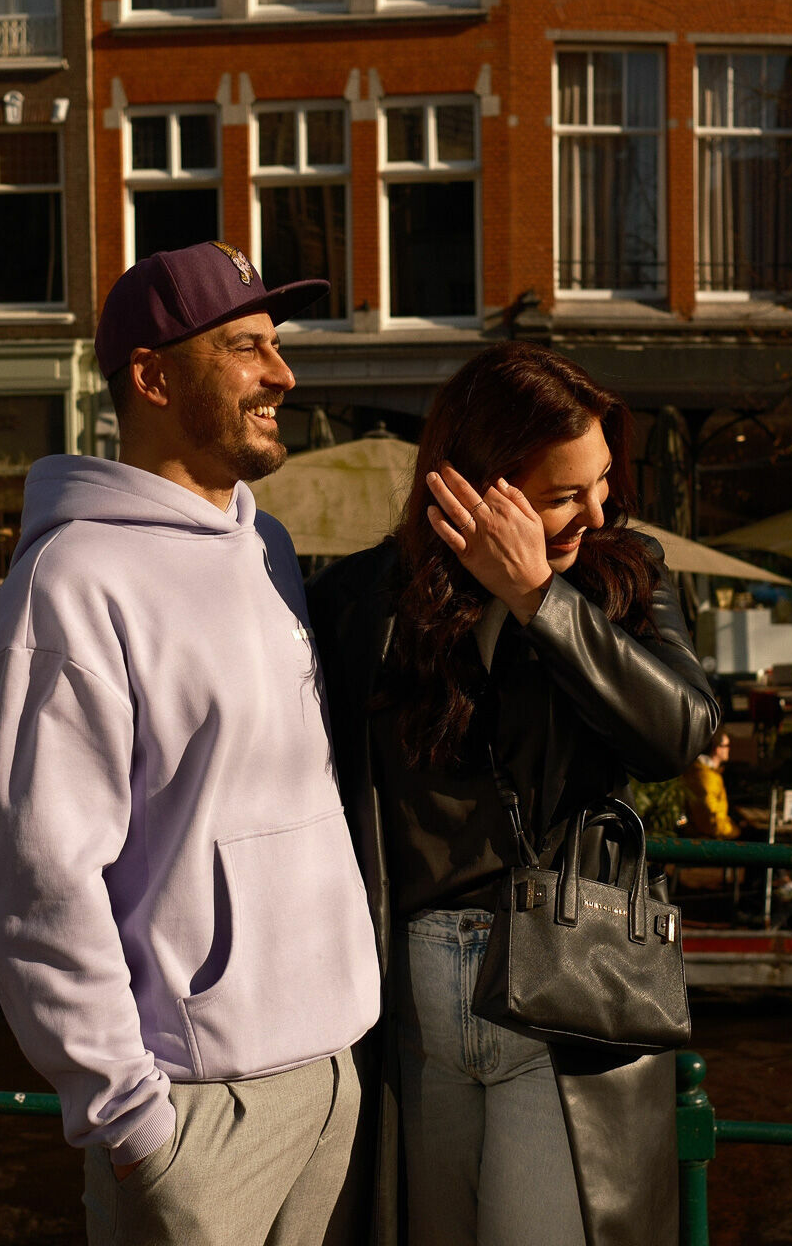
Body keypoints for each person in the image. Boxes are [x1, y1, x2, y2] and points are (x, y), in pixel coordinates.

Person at [0, 241, 379, 1246]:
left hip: (338, 1075)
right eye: (245, 347)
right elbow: (37, 884)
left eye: (275, 345)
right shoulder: (69, 586)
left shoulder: (268, 544)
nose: (282, 373)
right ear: (153, 376)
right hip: (200, 1113)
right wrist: (135, 1120)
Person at [308, 343, 721, 1246]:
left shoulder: (625, 575)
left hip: (562, 981)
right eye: (564, 493)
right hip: (407, 994)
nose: (596, 509)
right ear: (481, 483)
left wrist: (540, 596)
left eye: (603, 481)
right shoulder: (361, 599)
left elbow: (680, 729)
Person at [683, 730, 738, 839]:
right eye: (727, 745)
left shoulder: (704, 771)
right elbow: (711, 816)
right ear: (717, 749)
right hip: (709, 840)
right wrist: (733, 831)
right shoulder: (707, 777)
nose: (729, 749)